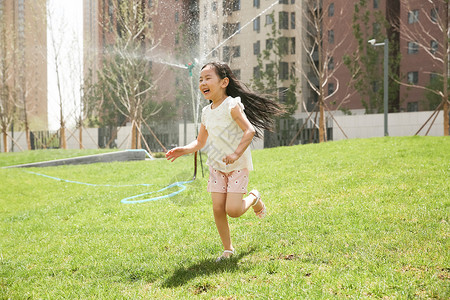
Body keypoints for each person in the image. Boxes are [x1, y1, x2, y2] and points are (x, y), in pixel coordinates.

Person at [166, 62, 284, 261]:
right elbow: (200, 141)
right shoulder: (206, 112)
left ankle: (254, 197)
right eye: (201, 79)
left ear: (224, 82)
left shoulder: (232, 105)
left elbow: (250, 130)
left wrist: (236, 154)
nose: (203, 82)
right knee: (218, 208)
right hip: (216, 166)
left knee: (234, 211)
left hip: (237, 165)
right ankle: (228, 250)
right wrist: (183, 150)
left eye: (208, 78)